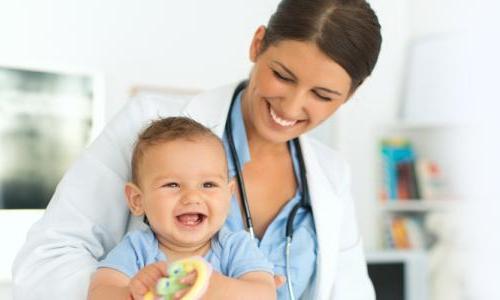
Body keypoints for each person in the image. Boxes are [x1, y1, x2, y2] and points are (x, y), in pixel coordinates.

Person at [13, 0, 382, 299]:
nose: (290, 106)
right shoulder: (148, 123)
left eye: (322, 95)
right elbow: (49, 257)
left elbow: (350, 291)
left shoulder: (331, 174)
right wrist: (140, 294)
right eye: (283, 76)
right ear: (257, 44)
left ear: (350, 94)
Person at [88, 117, 275, 300]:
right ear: (137, 200)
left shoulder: (235, 248)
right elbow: (99, 293)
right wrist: (132, 292)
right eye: (172, 185)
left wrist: (220, 289)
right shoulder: (137, 250)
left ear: (229, 195)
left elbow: (265, 293)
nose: (192, 197)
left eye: (208, 185)